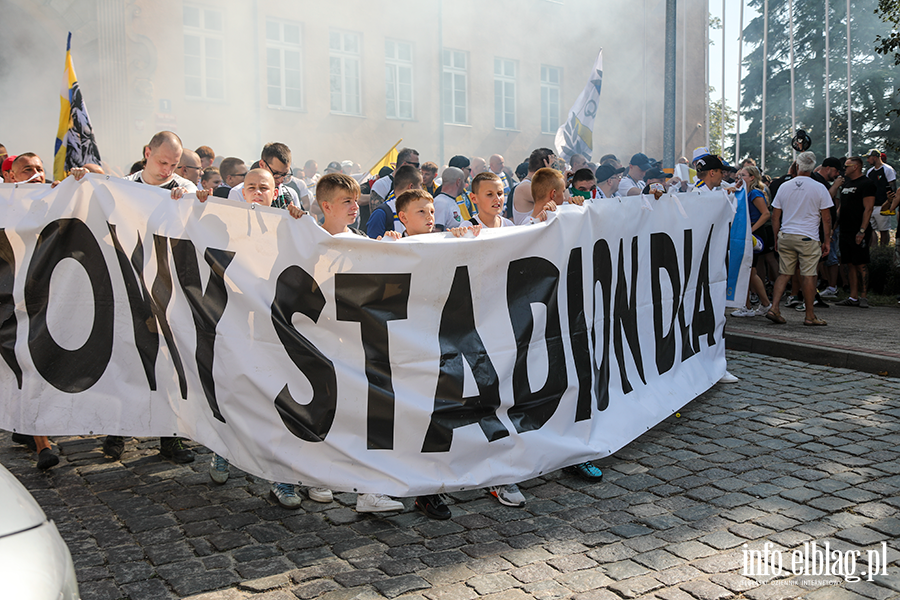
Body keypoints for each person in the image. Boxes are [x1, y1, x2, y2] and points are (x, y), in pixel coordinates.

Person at [765, 151, 833, 326]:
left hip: (786, 235)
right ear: (813, 167)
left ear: (797, 166)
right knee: (809, 276)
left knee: (784, 273)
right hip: (808, 237)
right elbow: (826, 218)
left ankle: (774, 308)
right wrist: (827, 240)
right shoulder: (819, 187)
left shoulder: (784, 186)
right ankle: (809, 315)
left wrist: (776, 237)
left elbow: (775, 216)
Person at [730, 166, 773, 318]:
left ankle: (763, 304)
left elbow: (766, 214)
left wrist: (750, 229)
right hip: (748, 233)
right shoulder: (744, 192)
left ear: (752, 177)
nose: (739, 178)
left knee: (750, 270)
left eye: (743, 175)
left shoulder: (754, 193)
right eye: (738, 175)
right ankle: (752, 305)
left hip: (755, 234)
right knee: (748, 270)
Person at [834, 157, 876, 308]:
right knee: (849, 263)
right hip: (845, 229)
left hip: (858, 229)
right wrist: (834, 226)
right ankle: (853, 297)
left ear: (856, 167)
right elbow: (841, 208)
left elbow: (868, 209)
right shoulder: (845, 184)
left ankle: (863, 296)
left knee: (861, 263)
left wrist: (862, 230)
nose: (844, 169)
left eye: (847, 166)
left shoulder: (867, 184)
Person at [228, 143, 300, 210]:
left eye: (285, 174)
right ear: (262, 164)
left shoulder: (291, 194)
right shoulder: (238, 193)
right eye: (276, 173)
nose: (280, 179)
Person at [125, 131, 197, 197]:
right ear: (147, 153)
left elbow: (194, 196)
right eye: (163, 162)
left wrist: (187, 199)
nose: (168, 171)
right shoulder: (124, 186)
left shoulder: (187, 188)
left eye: (174, 165)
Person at [365, 164, 423, 238]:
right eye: (420, 185)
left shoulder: (418, 211)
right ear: (411, 187)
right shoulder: (381, 213)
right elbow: (373, 246)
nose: (422, 189)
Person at [511, 148, 556, 224]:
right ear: (546, 166)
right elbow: (558, 199)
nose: (556, 170)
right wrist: (550, 174)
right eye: (554, 166)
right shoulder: (525, 187)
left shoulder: (532, 184)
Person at [865, 148, 896, 246]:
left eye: (869, 158)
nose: (867, 160)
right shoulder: (870, 172)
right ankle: (873, 250)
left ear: (875, 157)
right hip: (871, 205)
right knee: (871, 229)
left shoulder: (888, 169)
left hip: (883, 205)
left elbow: (893, 188)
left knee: (883, 230)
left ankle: (884, 250)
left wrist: (889, 203)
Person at [432, 167, 465, 231]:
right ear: (458, 182)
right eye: (463, 181)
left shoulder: (450, 201)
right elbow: (437, 232)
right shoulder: (441, 202)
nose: (464, 185)